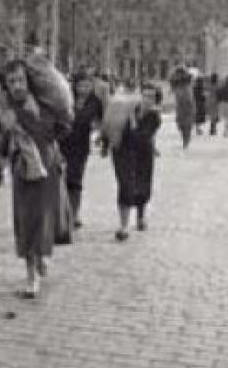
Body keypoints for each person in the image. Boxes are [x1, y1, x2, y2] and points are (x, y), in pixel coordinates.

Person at [0, 59, 71, 298]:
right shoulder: (4, 110)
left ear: (28, 80)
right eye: (11, 82)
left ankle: (41, 256)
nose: (16, 86)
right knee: (25, 220)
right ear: (5, 86)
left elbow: (63, 127)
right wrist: (7, 131)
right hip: (22, 169)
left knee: (44, 218)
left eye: (20, 79)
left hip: (47, 166)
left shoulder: (45, 105)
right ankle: (31, 275)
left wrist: (52, 143)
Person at [102, 82, 162, 241]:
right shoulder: (123, 110)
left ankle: (140, 217)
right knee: (126, 185)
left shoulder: (154, 116)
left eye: (152, 97)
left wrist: (133, 123)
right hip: (123, 153)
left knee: (142, 185)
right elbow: (110, 127)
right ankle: (123, 226)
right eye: (145, 95)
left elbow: (142, 136)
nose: (147, 99)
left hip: (143, 153)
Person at [59, 69, 104, 230]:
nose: (84, 89)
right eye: (81, 85)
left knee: (76, 180)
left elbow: (101, 120)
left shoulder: (95, 101)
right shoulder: (66, 98)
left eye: (87, 86)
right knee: (62, 179)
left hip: (81, 145)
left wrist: (100, 135)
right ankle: (62, 213)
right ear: (75, 86)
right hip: (63, 142)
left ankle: (75, 214)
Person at [172, 76, 196, 150]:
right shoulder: (182, 89)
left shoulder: (186, 89)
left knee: (186, 126)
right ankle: (185, 140)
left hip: (184, 109)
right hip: (183, 109)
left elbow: (190, 100)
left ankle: (186, 141)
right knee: (184, 126)